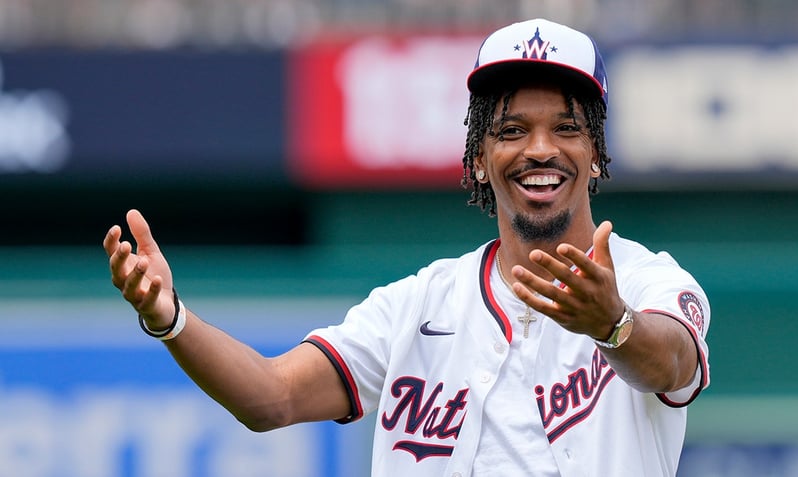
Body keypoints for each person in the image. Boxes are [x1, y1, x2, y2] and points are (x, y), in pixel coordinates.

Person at [104, 18, 710, 477]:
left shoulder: (648, 282)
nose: (541, 150)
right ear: (477, 160)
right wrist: (172, 320)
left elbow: (675, 364)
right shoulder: (417, 305)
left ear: (598, 154)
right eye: (512, 131)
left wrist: (613, 324)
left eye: (567, 128)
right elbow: (272, 396)